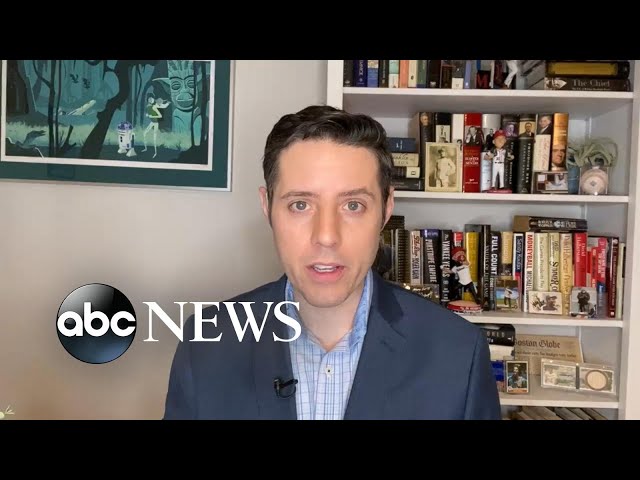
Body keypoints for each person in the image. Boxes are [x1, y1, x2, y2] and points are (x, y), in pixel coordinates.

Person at [163, 105, 501, 420]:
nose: (326, 236)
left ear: (386, 209)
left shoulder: (459, 353)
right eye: (300, 205)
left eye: (353, 205)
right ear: (267, 207)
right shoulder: (205, 343)